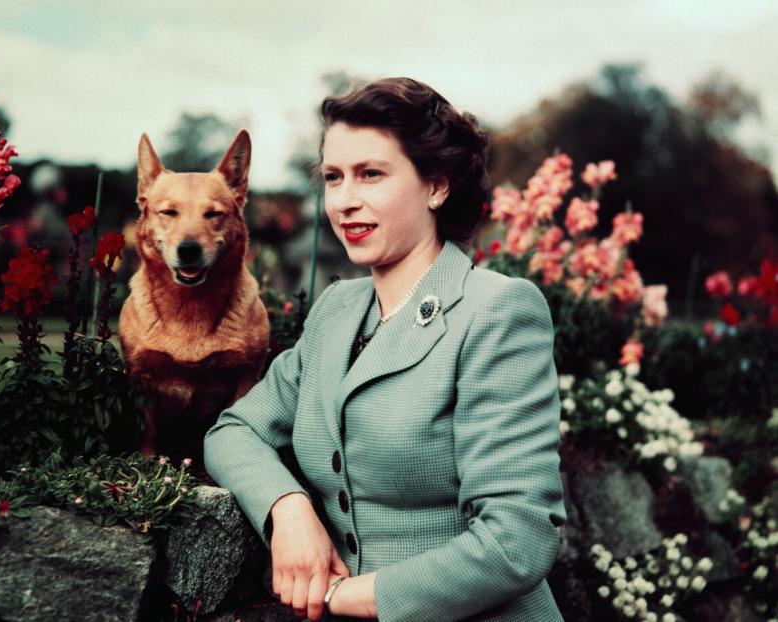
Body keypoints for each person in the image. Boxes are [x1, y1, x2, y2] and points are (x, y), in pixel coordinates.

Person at [204, 77, 567, 622]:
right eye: (333, 177)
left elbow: (518, 539)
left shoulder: (498, 310)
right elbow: (234, 431)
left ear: (436, 186)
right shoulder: (337, 311)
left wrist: (345, 596)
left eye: (371, 174)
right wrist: (288, 508)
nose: (346, 201)